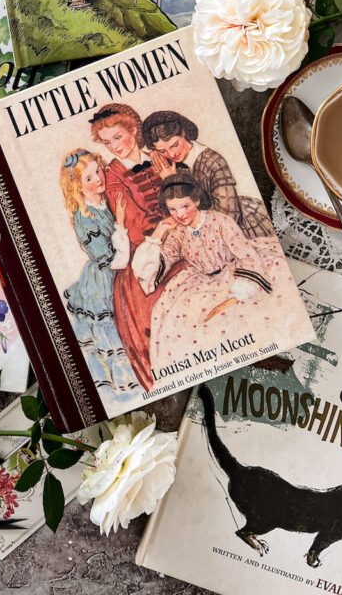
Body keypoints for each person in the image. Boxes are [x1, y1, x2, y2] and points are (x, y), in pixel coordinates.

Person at [131, 175, 279, 375]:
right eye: (172, 210)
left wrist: (233, 298)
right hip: (201, 284)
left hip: (236, 274)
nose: (180, 215)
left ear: (197, 200)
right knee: (180, 326)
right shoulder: (177, 234)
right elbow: (151, 271)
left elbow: (248, 257)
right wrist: (157, 235)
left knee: (232, 319)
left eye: (185, 206)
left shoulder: (220, 221)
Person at [89, 102, 182, 390]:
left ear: (133, 130)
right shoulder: (113, 177)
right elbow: (131, 221)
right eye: (106, 142)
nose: (114, 146)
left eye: (118, 137)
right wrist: (164, 227)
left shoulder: (157, 157)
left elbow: (185, 190)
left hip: (181, 232)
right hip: (146, 251)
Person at [59, 149, 139, 399]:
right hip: (104, 278)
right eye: (89, 178)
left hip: (119, 266)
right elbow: (110, 259)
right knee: (110, 334)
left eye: (97, 171)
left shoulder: (104, 201)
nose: (98, 179)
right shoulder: (85, 217)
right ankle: (122, 389)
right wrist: (121, 225)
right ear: (78, 188)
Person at [142, 110, 273, 238]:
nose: (172, 154)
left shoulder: (213, 161)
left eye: (175, 145)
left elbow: (228, 215)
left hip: (234, 225)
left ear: (183, 133)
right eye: (163, 151)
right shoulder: (169, 163)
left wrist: (172, 180)